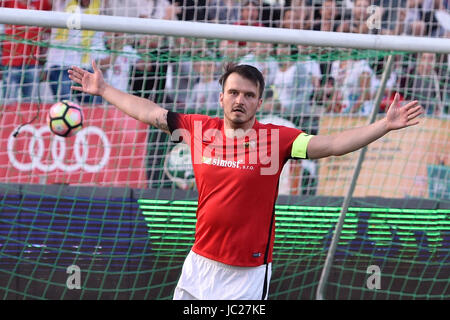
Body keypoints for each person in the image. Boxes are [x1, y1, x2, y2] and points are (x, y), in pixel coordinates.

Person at [68, 60, 423, 300]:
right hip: (199, 262)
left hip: (247, 273)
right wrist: (104, 90)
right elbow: (149, 112)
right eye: (234, 93)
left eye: (249, 95)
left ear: (259, 102)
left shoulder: (279, 139)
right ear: (221, 96)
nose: (240, 100)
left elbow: (330, 145)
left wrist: (383, 126)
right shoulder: (197, 128)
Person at [0, 0, 52, 103]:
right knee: (8, 104)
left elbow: (54, 4)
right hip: (10, 63)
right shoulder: (9, 3)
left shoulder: (41, 4)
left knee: (30, 105)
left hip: (32, 63)